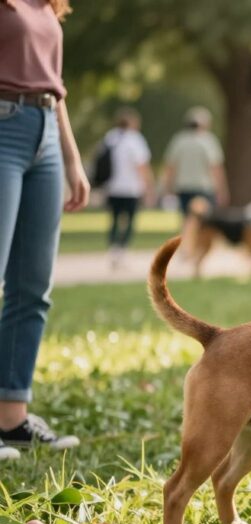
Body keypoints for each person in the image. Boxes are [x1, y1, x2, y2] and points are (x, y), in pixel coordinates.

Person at [0, 0, 90, 459]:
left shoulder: (47, 4)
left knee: (32, 286)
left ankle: (12, 419)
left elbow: (56, 89)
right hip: (3, 127)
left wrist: (72, 159)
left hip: (46, 134)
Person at [100, 107, 154, 268]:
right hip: (131, 189)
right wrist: (149, 187)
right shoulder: (135, 139)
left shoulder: (110, 138)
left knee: (115, 219)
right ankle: (122, 250)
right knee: (129, 220)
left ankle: (113, 248)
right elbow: (142, 166)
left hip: (112, 188)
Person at [161, 106, 229, 221]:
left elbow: (170, 167)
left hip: (183, 187)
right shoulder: (208, 141)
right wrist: (222, 190)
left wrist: (167, 187)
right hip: (204, 188)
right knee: (205, 222)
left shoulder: (179, 140)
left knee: (187, 221)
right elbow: (216, 168)